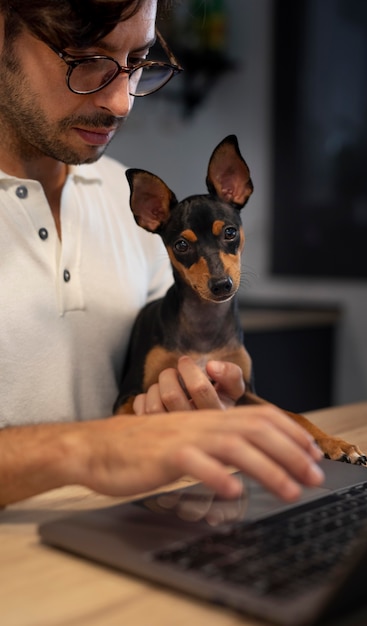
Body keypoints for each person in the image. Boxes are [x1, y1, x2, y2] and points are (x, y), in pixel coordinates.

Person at [0, 0, 324, 508]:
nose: (123, 101)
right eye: (86, 57)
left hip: (136, 534)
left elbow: (160, 400)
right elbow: (111, 446)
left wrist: (197, 409)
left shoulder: (129, 202)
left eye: (139, 62)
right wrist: (90, 449)